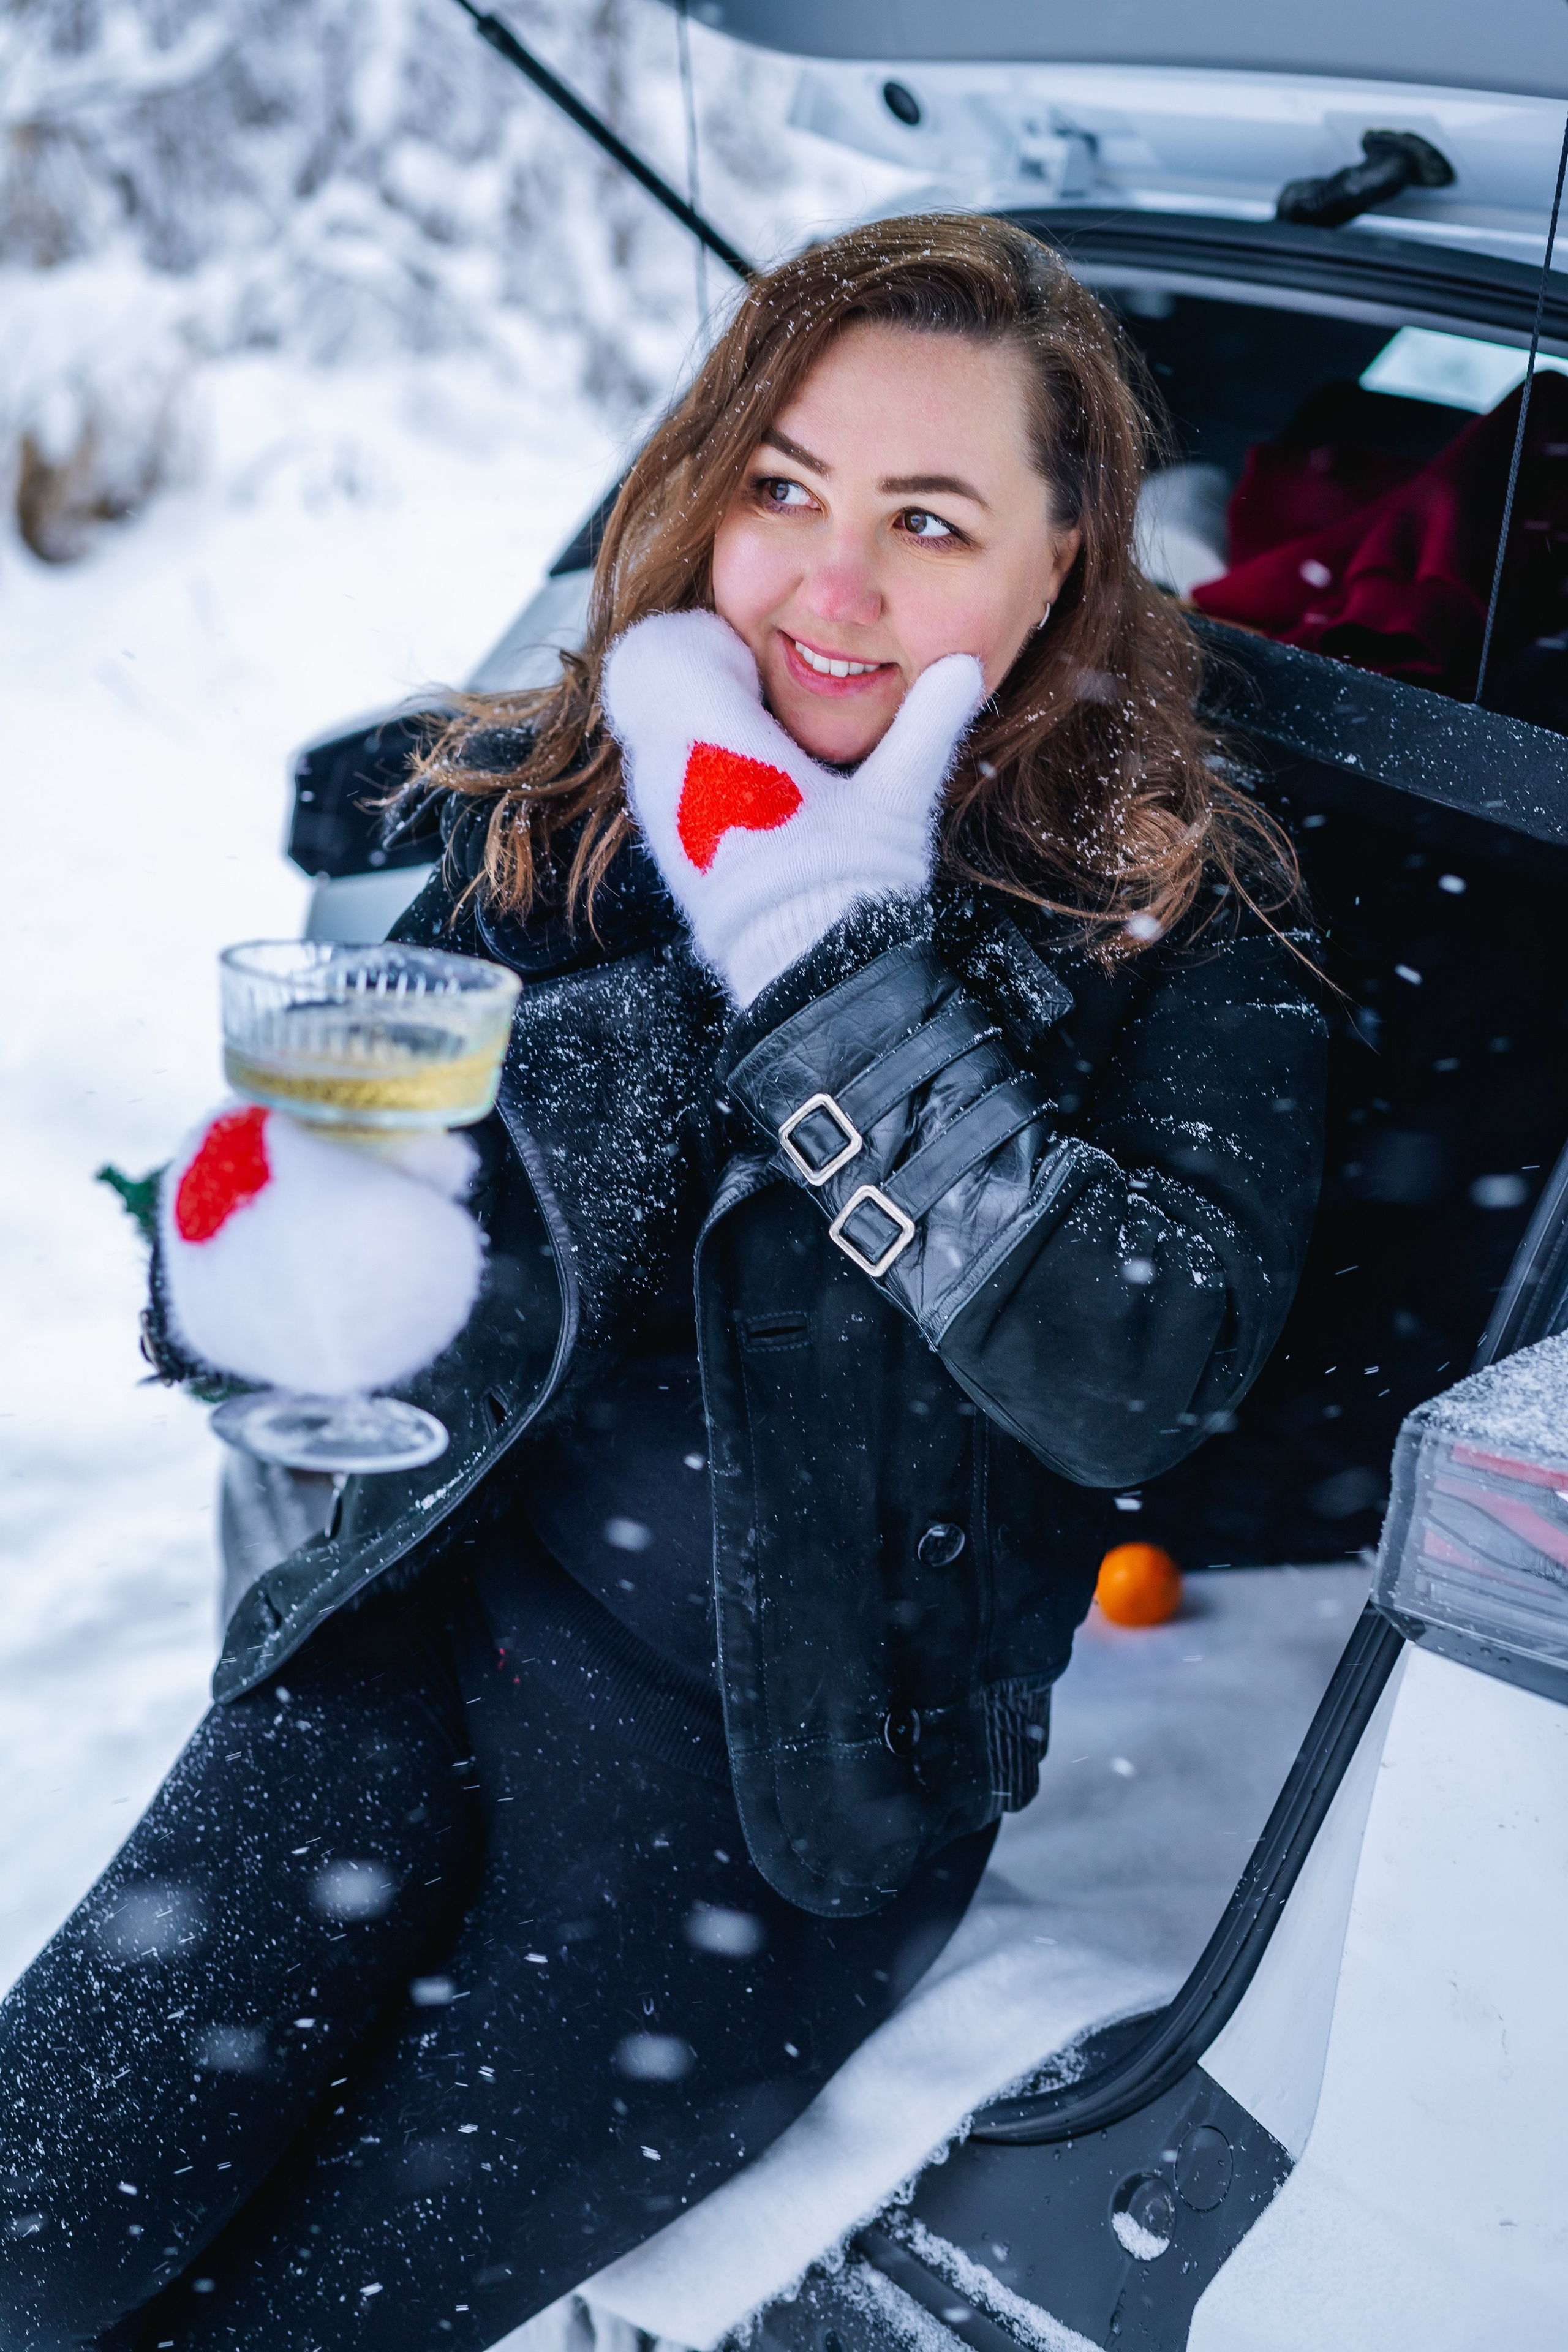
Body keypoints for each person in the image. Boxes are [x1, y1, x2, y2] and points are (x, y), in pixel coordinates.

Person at [0, 213, 1325, 2348]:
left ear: (1065, 564)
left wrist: (829, 972)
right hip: (409, 1660)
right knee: (31, 2231)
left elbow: (1137, 1372)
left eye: (927, 518)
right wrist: (261, 1267)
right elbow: (387, 1206)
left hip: (754, 1819)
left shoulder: (1180, 916)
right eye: (784, 489)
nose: (830, 582)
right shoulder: (583, 791)